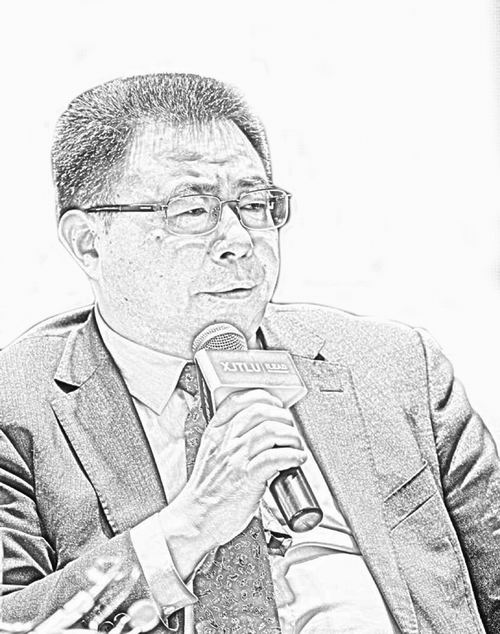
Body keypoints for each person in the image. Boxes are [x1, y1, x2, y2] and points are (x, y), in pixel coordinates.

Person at [0, 73, 498, 634]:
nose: (239, 239)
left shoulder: (396, 367)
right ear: (89, 242)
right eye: (193, 211)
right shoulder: (15, 405)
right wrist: (189, 526)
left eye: (255, 204)